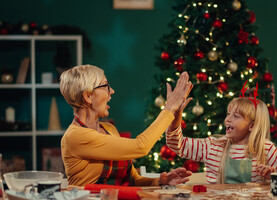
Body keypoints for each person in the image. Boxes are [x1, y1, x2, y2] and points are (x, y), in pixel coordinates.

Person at [60, 64, 193, 187]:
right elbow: (140, 147)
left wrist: (159, 181)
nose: (111, 91)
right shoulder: (75, 136)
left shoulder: (109, 129)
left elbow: (132, 179)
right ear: (88, 96)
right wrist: (169, 108)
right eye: (105, 86)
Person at [166, 90, 277, 184]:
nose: (228, 120)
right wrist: (175, 118)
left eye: (235, 116)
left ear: (251, 126)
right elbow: (178, 144)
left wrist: (275, 176)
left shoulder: (265, 149)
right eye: (228, 114)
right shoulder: (213, 146)